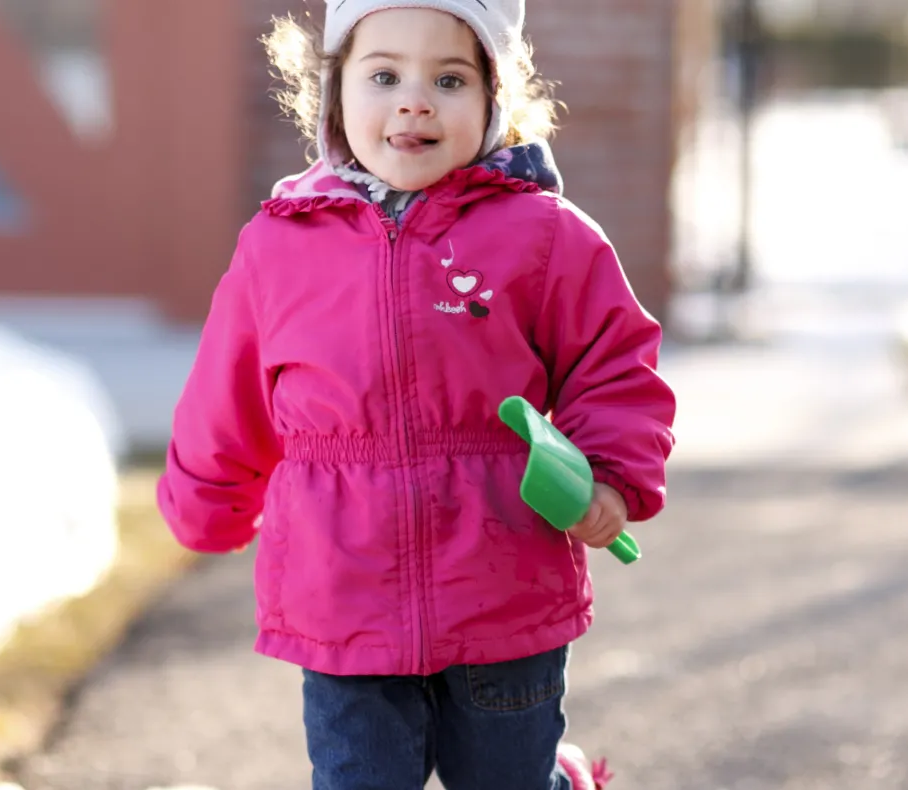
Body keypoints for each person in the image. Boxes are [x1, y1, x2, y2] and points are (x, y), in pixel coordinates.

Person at [157, 1, 677, 787]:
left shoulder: (544, 236)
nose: (415, 99)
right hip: (343, 595)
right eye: (384, 75)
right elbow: (228, 389)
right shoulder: (278, 245)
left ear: (495, 98)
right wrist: (207, 501)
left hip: (503, 585)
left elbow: (614, 364)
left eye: (450, 78)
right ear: (334, 96)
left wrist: (609, 473)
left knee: (504, 776)